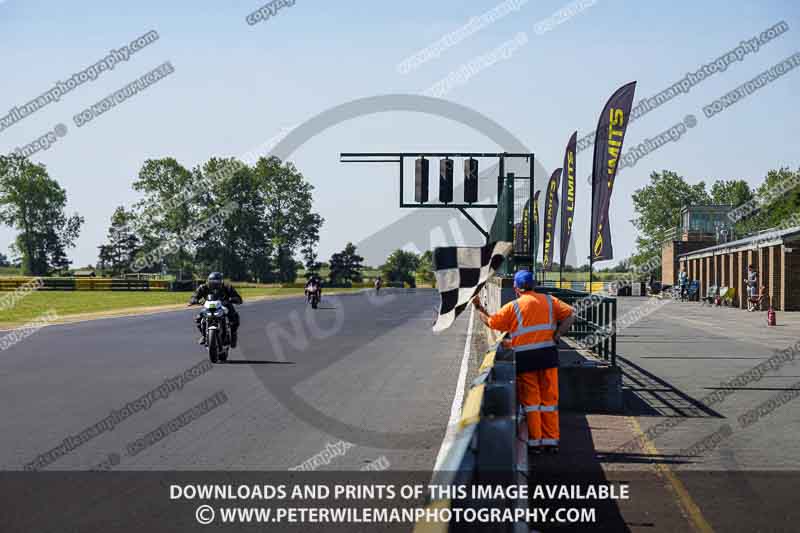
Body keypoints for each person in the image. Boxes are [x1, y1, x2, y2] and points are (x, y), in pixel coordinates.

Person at [471, 270, 576, 455]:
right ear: (534, 285)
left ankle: (535, 443)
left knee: (532, 402)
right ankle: (551, 442)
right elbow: (571, 314)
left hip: (526, 359)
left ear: (516, 288)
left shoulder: (513, 307)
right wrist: (557, 334)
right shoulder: (550, 301)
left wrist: (479, 308)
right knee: (549, 400)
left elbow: (492, 322)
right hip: (548, 356)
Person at [189, 272, 243, 348]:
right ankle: (204, 335)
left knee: (234, 318)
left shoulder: (227, 287)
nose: (214, 284)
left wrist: (233, 299)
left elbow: (238, 298)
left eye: (217, 282)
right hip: (208, 306)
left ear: (221, 281)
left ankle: (233, 335)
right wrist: (194, 300)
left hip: (224, 305)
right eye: (212, 282)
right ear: (208, 281)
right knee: (198, 319)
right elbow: (194, 296)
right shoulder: (203, 287)